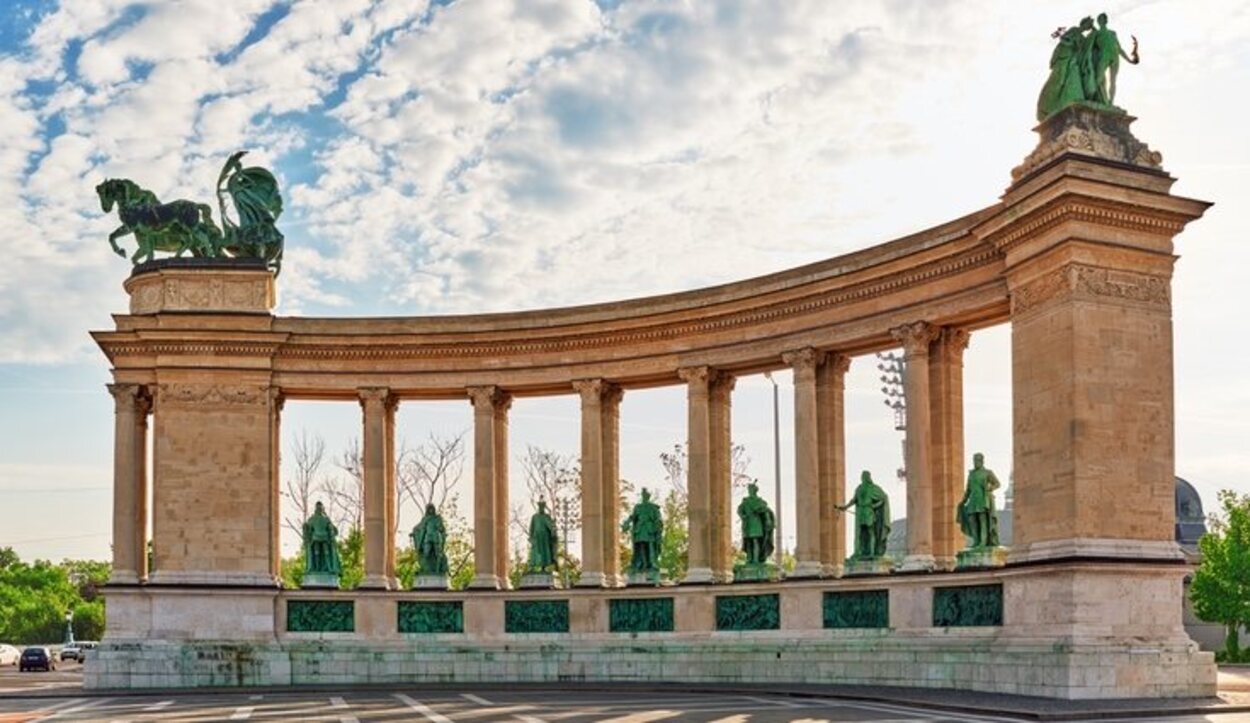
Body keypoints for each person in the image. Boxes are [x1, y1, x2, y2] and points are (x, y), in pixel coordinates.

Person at [1037, 17, 1095, 121]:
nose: (1088, 27)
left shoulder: (1082, 38)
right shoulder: (1074, 30)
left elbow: (1090, 44)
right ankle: (1047, 107)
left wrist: (1094, 29)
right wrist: (1070, 43)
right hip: (1064, 56)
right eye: (1088, 24)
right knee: (1059, 81)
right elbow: (1064, 41)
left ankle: (1061, 104)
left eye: (1090, 26)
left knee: (1065, 81)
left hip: (1072, 60)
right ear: (1084, 23)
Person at [838, 471, 891, 560]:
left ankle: (872, 552)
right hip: (861, 512)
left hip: (868, 511)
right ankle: (858, 552)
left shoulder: (873, 488)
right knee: (859, 533)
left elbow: (883, 498)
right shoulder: (859, 488)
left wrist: (874, 506)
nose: (863, 477)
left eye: (865, 476)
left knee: (871, 532)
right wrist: (845, 507)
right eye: (862, 476)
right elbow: (854, 500)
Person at [1090, 12, 1139, 106]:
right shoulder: (1096, 34)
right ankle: (1095, 98)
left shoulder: (1113, 33)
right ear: (1098, 21)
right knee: (1098, 78)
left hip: (1114, 56)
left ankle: (1110, 103)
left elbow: (1119, 49)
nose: (1101, 21)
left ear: (1106, 21)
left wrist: (1129, 60)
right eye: (1100, 19)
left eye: (1103, 19)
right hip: (1103, 56)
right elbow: (1091, 48)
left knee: (1113, 81)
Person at [957, 453, 1002, 549]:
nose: (975, 463)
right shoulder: (971, 474)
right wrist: (964, 501)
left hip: (983, 500)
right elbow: (968, 489)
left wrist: (990, 488)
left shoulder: (987, 472)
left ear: (981, 461)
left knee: (983, 521)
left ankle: (983, 541)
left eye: (977, 460)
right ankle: (976, 540)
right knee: (972, 521)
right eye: (974, 460)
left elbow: (997, 484)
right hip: (973, 501)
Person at [622, 488, 664, 574]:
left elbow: (658, 519)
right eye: (643, 495)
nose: (644, 497)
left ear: (648, 497)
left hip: (649, 529)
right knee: (641, 546)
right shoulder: (638, 507)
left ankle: (653, 563)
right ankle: (642, 563)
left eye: (646, 495)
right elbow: (633, 517)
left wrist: (658, 527)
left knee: (650, 546)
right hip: (640, 529)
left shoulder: (653, 507)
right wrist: (627, 523)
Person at [737, 482, 776, 566]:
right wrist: (743, 516)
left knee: (755, 540)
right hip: (747, 523)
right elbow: (739, 510)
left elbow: (765, 510)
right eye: (749, 490)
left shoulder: (760, 501)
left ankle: (756, 559)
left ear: (755, 491)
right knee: (749, 541)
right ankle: (749, 559)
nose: (750, 491)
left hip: (756, 523)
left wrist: (768, 519)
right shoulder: (745, 501)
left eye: (751, 489)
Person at [302, 501, 342, 575]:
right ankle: (316, 568)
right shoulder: (312, 519)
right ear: (316, 508)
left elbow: (333, 530)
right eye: (318, 507)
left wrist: (332, 530)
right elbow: (309, 530)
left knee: (326, 552)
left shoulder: (326, 519)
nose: (319, 509)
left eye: (320, 507)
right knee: (316, 553)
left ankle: (329, 567)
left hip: (325, 538)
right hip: (316, 538)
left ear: (322, 508)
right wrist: (305, 528)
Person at [410, 503, 448, 575]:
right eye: (429, 508)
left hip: (436, 537)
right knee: (426, 553)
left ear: (433, 509)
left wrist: (441, 529)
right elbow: (419, 527)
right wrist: (414, 532)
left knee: (438, 554)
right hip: (428, 537)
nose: (430, 510)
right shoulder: (425, 519)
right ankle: (425, 569)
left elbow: (441, 528)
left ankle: (437, 570)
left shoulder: (437, 518)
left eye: (432, 508)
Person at [527, 499, 559, 572]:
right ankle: (532, 566)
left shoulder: (546, 516)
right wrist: (531, 537)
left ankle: (543, 567)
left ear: (544, 507)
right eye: (540, 507)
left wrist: (553, 529)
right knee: (534, 552)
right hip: (536, 537)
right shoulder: (534, 517)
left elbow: (551, 526)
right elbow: (531, 527)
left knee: (544, 552)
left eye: (542, 507)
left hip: (545, 537)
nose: (541, 508)